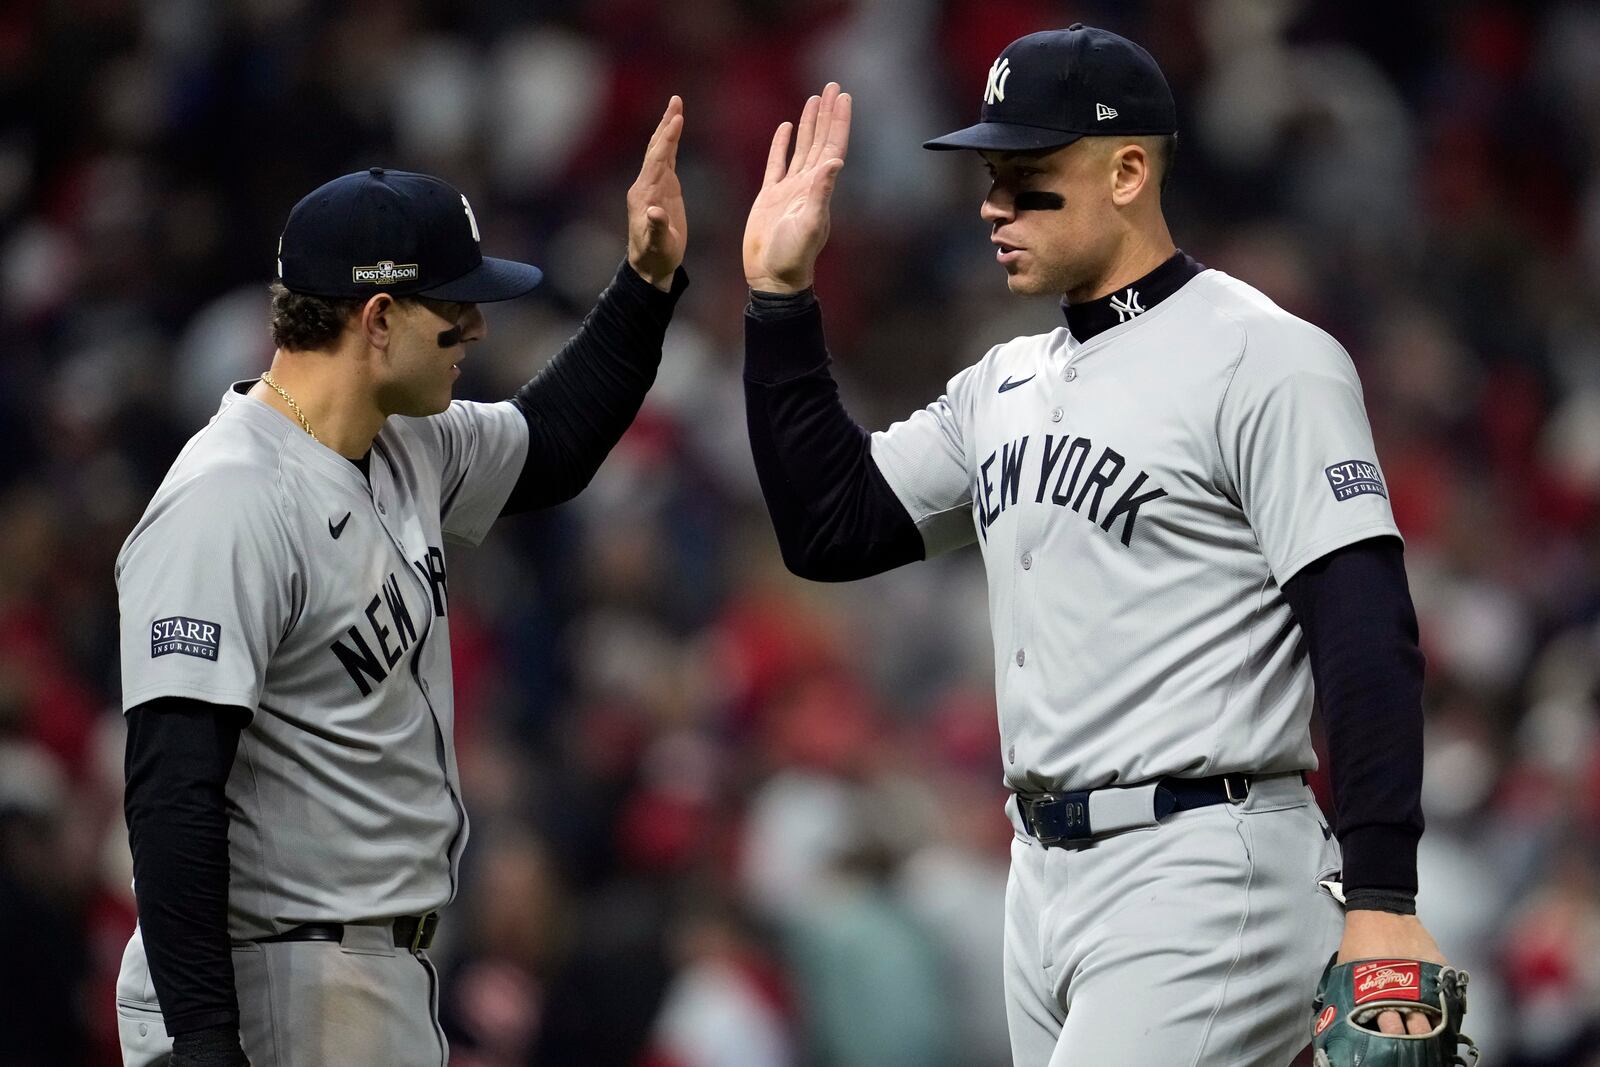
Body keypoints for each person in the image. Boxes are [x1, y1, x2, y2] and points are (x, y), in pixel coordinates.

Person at [740, 27, 1449, 1066]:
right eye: (991, 175)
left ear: (1126, 170)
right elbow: (830, 526)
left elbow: (1362, 623)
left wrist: (1383, 893)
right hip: (1042, 878)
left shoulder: (1263, 356)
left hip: (1206, 861)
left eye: (1027, 177)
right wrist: (778, 303)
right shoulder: (1004, 381)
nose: (994, 204)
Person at [114, 99, 689, 1067]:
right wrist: (204, 1041)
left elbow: (549, 446)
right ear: (376, 319)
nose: (473, 325)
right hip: (274, 981)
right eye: (451, 305)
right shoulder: (228, 498)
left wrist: (647, 280)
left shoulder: (402, 444)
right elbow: (172, 794)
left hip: (376, 973)